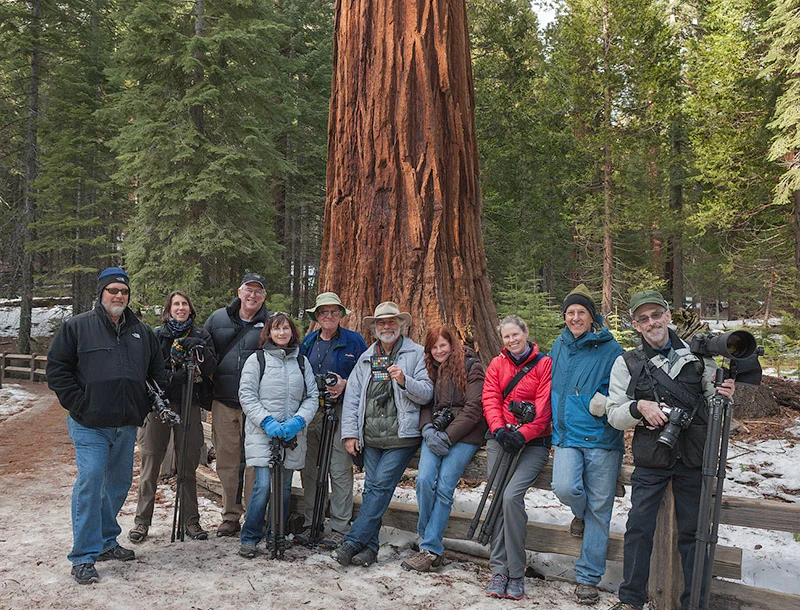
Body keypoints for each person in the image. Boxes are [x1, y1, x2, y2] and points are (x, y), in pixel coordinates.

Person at [606, 290, 735, 610]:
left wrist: (725, 394)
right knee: (638, 528)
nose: (652, 322)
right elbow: (614, 415)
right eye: (643, 318)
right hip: (652, 456)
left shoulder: (699, 356)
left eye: (656, 315)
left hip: (694, 456)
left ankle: (695, 603)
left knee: (695, 533)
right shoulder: (627, 362)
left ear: (667, 315)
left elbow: (716, 407)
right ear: (636, 325)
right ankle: (631, 600)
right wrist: (639, 407)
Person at [46, 267, 165, 584]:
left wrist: (146, 402)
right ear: (101, 293)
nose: (119, 296)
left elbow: (157, 370)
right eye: (113, 290)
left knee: (118, 484)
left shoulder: (141, 331)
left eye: (124, 291)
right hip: (90, 424)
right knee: (91, 481)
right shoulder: (77, 327)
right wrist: (80, 403)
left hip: (125, 424)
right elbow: (57, 370)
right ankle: (84, 556)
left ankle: (106, 541)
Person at [333, 301, 434, 567]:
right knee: (371, 490)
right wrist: (350, 434)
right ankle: (370, 549)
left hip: (401, 436)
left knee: (379, 487)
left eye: (391, 322)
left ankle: (352, 541)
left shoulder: (416, 354)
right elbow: (353, 398)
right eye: (381, 323)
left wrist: (404, 381)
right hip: (371, 437)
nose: (386, 327)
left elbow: (427, 393)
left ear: (400, 325)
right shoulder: (366, 358)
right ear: (375, 328)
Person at [548, 285, 624, 605]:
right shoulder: (559, 345)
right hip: (567, 435)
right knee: (564, 487)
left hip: (602, 438)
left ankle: (588, 578)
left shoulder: (612, 349)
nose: (575, 317)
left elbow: (625, 388)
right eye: (570, 313)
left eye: (581, 312)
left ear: (592, 317)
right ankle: (579, 514)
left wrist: (603, 400)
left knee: (600, 510)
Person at [128, 290, 217, 543]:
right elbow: (146, 370)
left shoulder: (201, 336)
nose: (181, 308)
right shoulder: (157, 335)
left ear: (190, 308)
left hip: (190, 403)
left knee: (188, 465)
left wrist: (200, 349)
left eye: (184, 304)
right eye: (176, 304)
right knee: (150, 463)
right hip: (159, 405)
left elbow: (211, 368)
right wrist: (169, 377)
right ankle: (142, 521)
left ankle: (191, 520)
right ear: (169, 309)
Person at [401, 327, 487, 573]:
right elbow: (426, 403)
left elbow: (474, 408)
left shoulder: (472, 366)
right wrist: (427, 428)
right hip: (436, 431)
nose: (439, 351)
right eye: (434, 348)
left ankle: (429, 548)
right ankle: (428, 535)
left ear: (452, 344)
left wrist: (448, 437)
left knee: (445, 485)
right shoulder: (431, 368)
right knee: (424, 480)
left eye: (443, 346)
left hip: (466, 435)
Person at [481, 315, 552, 601]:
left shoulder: (544, 364)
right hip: (500, 439)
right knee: (498, 498)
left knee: (511, 497)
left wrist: (522, 434)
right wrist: (499, 430)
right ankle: (499, 571)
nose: (512, 340)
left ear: (526, 332)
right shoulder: (497, 364)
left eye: (515, 334)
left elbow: (543, 408)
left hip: (533, 443)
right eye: (506, 337)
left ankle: (516, 570)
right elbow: (490, 398)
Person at [237, 312, 318, 558]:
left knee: (283, 487)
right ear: (269, 333)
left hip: (290, 435)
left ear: (292, 332)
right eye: (276, 328)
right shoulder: (257, 360)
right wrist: (266, 421)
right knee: (263, 485)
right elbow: (247, 395)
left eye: (285, 328)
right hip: (263, 433)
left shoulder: (301, 362)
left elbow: (312, 397)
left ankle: (276, 534)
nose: (281, 333)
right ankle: (250, 536)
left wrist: (299, 421)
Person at [297, 292, 367, 549]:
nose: (329, 316)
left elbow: (367, 374)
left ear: (341, 315)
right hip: (312, 411)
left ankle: (339, 527)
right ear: (316, 316)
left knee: (339, 470)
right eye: (324, 312)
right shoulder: (308, 342)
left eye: (334, 312)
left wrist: (345, 384)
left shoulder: (354, 341)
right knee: (310, 469)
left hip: (342, 411)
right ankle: (311, 523)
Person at [203, 273, 271, 537]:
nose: (253, 295)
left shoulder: (271, 323)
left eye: (258, 291)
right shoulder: (217, 320)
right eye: (248, 290)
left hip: (257, 405)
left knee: (255, 461)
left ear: (263, 296)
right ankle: (230, 515)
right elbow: (205, 356)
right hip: (224, 401)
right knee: (227, 461)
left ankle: (255, 515)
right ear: (239, 292)